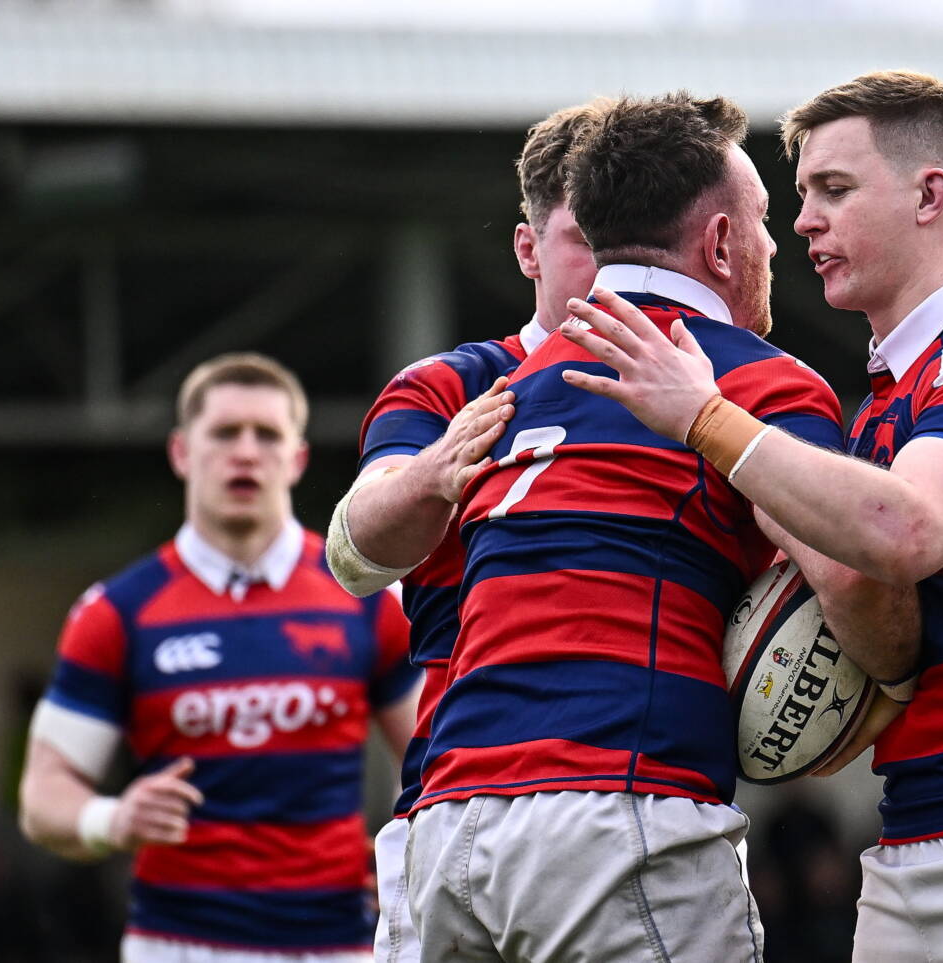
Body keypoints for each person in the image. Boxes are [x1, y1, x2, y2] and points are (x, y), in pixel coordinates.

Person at [560, 70, 943, 960]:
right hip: (919, 835)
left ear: (932, 194)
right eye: (802, 194)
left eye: (834, 190)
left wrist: (705, 416)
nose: (804, 219)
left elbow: (908, 530)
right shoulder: (887, 403)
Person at [400, 91, 910, 963]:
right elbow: (854, 577)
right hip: (613, 811)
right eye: (758, 219)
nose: (774, 242)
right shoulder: (755, 382)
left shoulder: (503, 390)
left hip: (445, 831)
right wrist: (893, 678)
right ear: (717, 243)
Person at [18, 352, 420, 963]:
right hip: (177, 942)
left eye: (267, 434)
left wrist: (405, 850)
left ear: (298, 457)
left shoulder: (368, 599)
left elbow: (433, 756)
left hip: (337, 941)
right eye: (226, 433)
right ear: (182, 452)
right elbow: (43, 796)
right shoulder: (118, 612)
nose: (246, 451)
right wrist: (113, 817)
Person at [325, 101, 607, 962]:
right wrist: (434, 473)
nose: (609, 268)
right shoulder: (453, 383)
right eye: (581, 239)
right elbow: (352, 551)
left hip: (625, 796)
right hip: (452, 808)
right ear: (527, 250)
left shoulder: (692, 386)